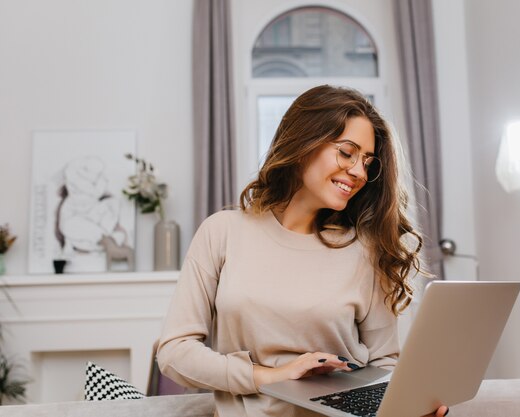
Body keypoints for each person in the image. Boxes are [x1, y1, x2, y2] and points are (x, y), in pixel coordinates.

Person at [157, 85, 448, 417]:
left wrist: (407, 406)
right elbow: (175, 352)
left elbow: (384, 362)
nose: (358, 172)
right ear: (303, 143)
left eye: (368, 162)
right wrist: (270, 377)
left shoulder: (366, 250)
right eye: (347, 152)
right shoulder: (222, 232)